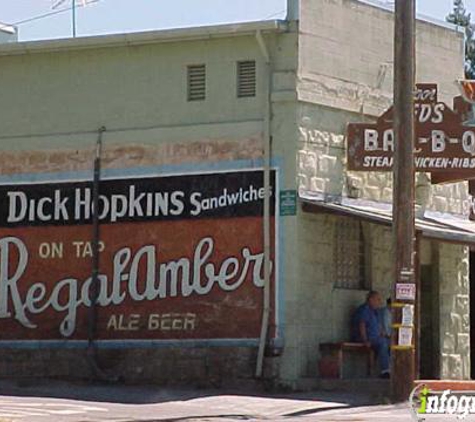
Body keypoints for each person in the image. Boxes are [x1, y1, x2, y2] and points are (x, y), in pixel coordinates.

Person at [351, 290, 390, 378]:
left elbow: (378, 326)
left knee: (390, 344)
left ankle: (389, 369)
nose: (380, 302)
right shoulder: (365, 310)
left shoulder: (375, 311)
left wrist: (382, 333)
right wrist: (365, 340)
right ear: (371, 299)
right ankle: (385, 371)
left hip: (375, 338)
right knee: (383, 343)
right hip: (364, 338)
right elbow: (362, 325)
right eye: (378, 300)